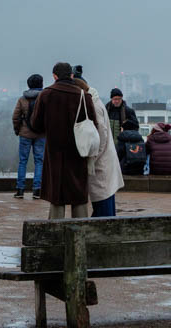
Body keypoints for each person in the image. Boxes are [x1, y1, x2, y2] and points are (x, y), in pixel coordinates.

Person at [29, 62, 97, 219]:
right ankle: (80, 231)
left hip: (55, 151)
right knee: (78, 195)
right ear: (72, 76)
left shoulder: (46, 94)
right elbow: (94, 124)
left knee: (57, 196)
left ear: (54, 76)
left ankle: (55, 233)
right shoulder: (84, 96)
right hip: (79, 151)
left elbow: (36, 125)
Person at [76, 77, 123, 217]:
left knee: (103, 207)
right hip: (106, 162)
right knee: (106, 200)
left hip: (101, 164)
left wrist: (92, 159)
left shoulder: (93, 105)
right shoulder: (95, 101)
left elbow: (101, 137)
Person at [11, 74, 45, 199]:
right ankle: (37, 190)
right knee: (39, 161)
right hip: (41, 134)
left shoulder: (22, 99)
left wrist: (17, 130)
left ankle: (20, 190)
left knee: (23, 161)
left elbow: (15, 117)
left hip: (25, 134)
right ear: (41, 84)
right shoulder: (44, 98)